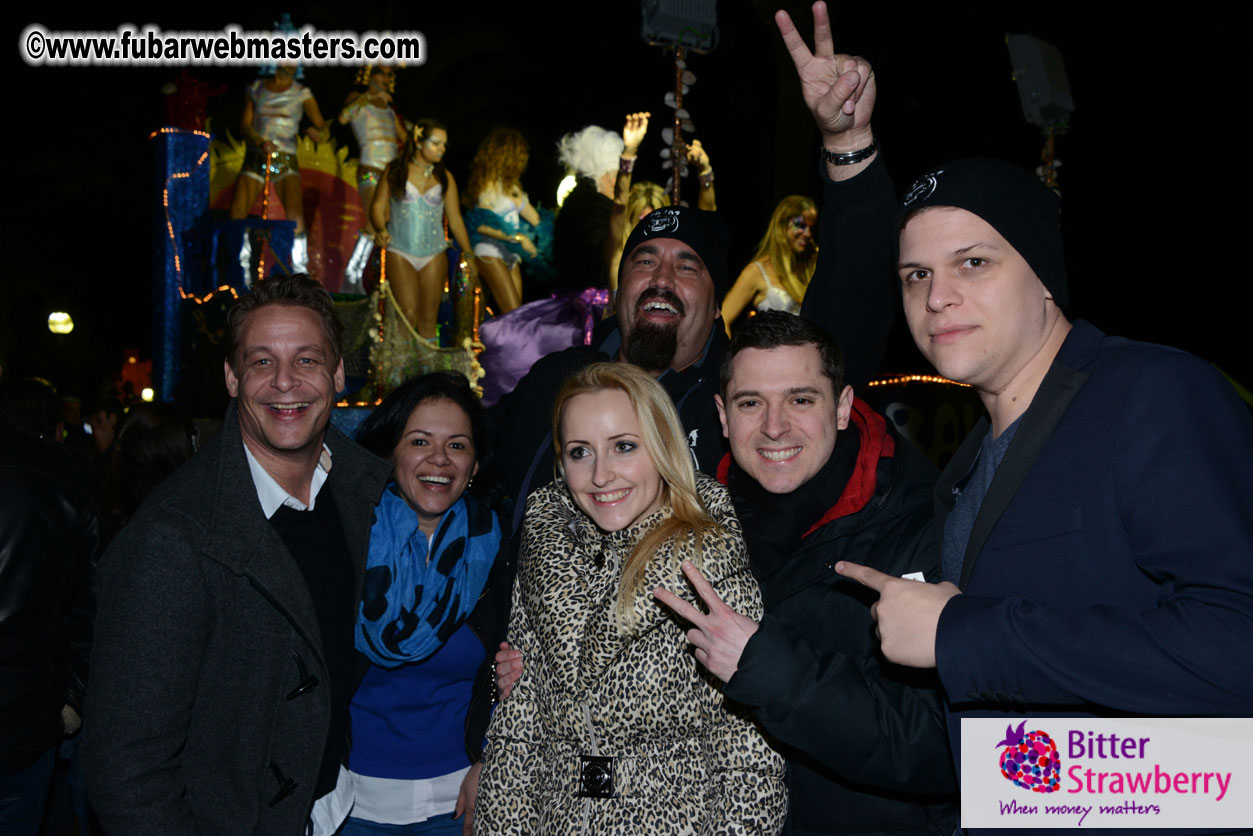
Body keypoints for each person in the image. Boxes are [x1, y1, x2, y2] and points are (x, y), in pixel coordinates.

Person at [832, 155, 1253, 810]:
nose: (936, 297)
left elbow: (1236, 645)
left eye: (973, 262)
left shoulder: (1152, 394)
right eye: (916, 274)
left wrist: (961, 634)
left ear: (1044, 275)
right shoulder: (963, 471)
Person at [84, 274, 392, 836]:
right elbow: (126, 774)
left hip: (340, 809)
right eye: (261, 362)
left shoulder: (366, 493)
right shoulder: (172, 538)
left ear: (337, 374)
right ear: (231, 378)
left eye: (306, 360)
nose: (284, 381)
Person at [649, 311, 956, 835]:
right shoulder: (687, 524)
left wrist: (768, 668)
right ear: (723, 415)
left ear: (842, 406)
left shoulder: (919, 526)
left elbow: (939, 747)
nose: (774, 427)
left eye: (800, 400)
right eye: (751, 403)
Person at [474, 362, 786, 836]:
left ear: (662, 448)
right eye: (580, 452)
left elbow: (749, 762)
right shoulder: (547, 554)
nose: (601, 475)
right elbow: (518, 737)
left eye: (623, 446)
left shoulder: (709, 567)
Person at [320, 373, 509, 836]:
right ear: (390, 453)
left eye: (457, 445)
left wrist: (493, 759)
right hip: (348, 808)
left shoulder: (500, 551)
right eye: (419, 441)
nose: (439, 459)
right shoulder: (340, 540)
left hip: (460, 808)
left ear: (475, 465)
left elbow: (525, 679)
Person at [1, 412, 100, 836]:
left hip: (22, 730)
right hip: (21, 729)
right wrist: (71, 701)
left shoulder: (56, 476)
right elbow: (89, 608)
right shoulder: (59, 475)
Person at [372, 120, 477, 341]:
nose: (442, 149)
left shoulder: (445, 177)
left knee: (429, 320)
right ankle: (401, 362)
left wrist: (469, 254)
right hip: (400, 250)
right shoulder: (396, 170)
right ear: (419, 141)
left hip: (434, 254)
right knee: (408, 313)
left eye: (445, 144)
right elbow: (378, 207)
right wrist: (380, 229)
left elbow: (455, 220)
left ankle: (427, 364)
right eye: (436, 143)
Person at [228, 64, 330, 273]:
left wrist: (319, 134)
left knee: (295, 215)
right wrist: (259, 141)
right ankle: (240, 270)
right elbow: (245, 125)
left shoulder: (301, 92)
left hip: (285, 158)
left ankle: (300, 271)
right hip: (257, 154)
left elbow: (323, 128)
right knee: (237, 212)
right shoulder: (256, 87)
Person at [339, 65, 407, 293]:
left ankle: (379, 279)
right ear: (370, 74)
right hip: (370, 168)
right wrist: (369, 96)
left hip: (391, 174)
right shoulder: (358, 98)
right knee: (373, 220)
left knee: (386, 223)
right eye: (381, 72)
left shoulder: (389, 107)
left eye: (389, 74)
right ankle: (352, 274)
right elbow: (343, 118)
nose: (386, 77)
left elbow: (405, 139)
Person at [463, 128, 543, 314]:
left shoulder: (513, 187)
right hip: (489, 252)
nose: (522, 162)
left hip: (511, 255)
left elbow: (535, 219)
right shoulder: (486, 185)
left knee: (516, 315)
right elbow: (481, 225)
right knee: (513, 312)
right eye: (518, 156)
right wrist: (519, 238)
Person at [720, 196, 818, 332]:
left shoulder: (809, 268)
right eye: (801, 225)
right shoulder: (757, 271)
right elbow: (723, 319)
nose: (807, 234)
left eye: (811, 228)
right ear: (782, 225)